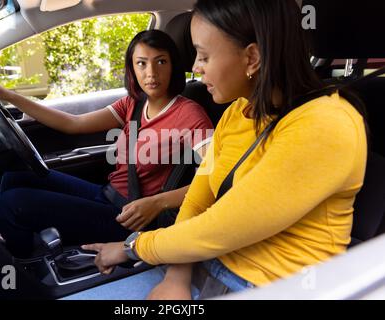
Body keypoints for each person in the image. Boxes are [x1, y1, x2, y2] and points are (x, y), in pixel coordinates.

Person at [66, 0, 368, 300]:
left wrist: (131, 247)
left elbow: (222, 228)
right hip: (201, 263)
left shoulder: (325, 124)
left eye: (203, 56)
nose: (195, 67)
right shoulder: (237, 112)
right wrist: (177, 277)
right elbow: (199, 199)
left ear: (252, 57)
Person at [0, 30, 214, 258]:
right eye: (142, 63)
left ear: (174, 66)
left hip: (132, 218)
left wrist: (158, 202)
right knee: (13, 177)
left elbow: (215, 180)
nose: (151, 72)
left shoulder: (190, 115)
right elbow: (73, 124)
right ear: (132, 68)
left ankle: (21, 275)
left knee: (15, 205)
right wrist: (7, 95)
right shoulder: (134, 104)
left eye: (161, 61)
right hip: (107, 196)